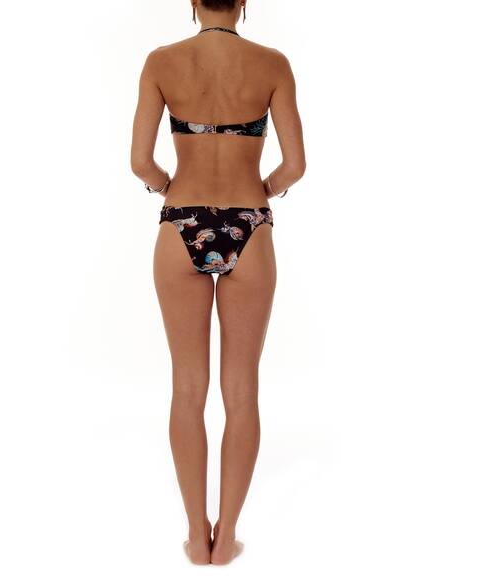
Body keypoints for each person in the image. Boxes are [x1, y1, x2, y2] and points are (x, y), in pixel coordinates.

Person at [130, 0, 306, 566]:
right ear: (244, 2)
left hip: (180, 222)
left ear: (192, 1)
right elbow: (295, 165)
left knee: (187, 387)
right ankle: (226, 536)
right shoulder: (272, 64)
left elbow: (140, 162)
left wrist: (169, 188)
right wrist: (260, 190)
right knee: (242, 390)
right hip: (248, 224)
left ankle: (194, 533)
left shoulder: (162, 61)